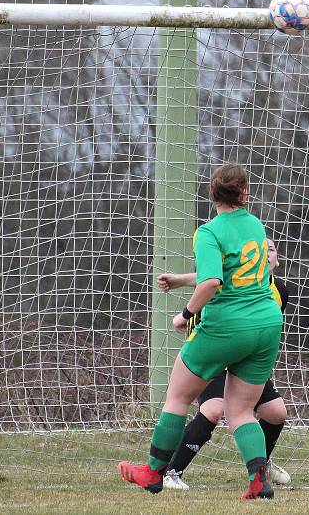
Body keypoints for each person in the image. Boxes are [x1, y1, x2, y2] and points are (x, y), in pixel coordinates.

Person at [118, 164, 283, 500]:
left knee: (178, 396)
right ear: (244, 193)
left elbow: (212, 281)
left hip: (227, 326)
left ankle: (153, 473)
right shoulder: (254, 225)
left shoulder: (208, 232)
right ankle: (258, 481)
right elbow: (233, 272)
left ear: (212, 194)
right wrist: (181, 279)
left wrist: (185, 313)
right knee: (239, 411)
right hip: (267, 323)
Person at [156, 238, 292, 490]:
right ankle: (171, 472)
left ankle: (261, 463)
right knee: (214, 409)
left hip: (244, 358)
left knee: (276, 413)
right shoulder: (236, 279)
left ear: (277, 259)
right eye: (261, 250)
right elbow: (210, 280)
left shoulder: (279, 292)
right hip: (216, 353)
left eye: (271, 250)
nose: (266, 254)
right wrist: (182, 293)